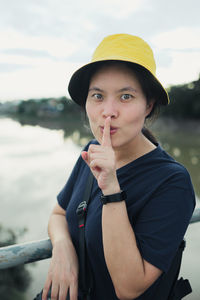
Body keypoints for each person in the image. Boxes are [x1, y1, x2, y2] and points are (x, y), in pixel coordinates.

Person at [42, 34, 195, 300]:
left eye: (125, 96)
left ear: (148, 105)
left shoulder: (172, 181)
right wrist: (63, 247)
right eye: (98, 95)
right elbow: (58, 214)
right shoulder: (91, 152)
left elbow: (129, 288)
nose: (108, 111)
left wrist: (110, 185)